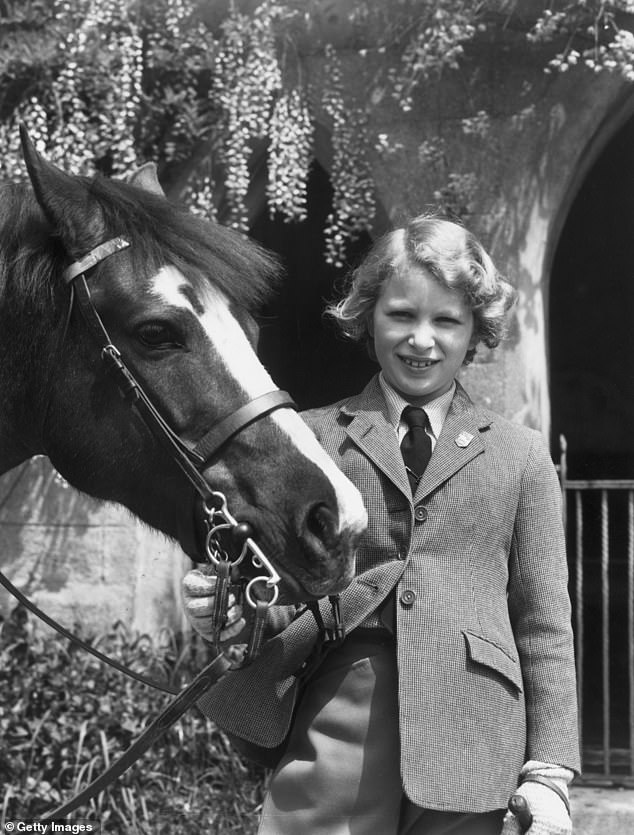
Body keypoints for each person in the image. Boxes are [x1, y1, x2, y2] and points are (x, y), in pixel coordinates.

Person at [182, 213, 580, 835]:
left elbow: (544, 623)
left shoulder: (521, 455)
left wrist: (550, 772)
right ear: (368, 316)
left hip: (475, 733)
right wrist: (231, 606)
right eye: (401, 315)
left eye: (446, 320)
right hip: (340, 711)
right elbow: (279, 589)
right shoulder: (310, 438)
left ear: (476, 330)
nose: (422, 339)